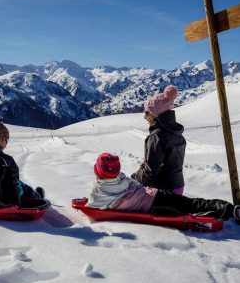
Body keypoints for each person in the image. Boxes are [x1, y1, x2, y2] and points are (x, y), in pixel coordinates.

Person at [87, 153, 240, 221]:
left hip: (152, 203)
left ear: (98, 172)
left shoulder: (98, 191)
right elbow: (135, 184)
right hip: (156, 194)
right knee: (191, 203)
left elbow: (92, 207)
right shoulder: (122, 179)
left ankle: (227, 210)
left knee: (189, 206)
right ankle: (225, 209)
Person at [131, 85, 185, 194]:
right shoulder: (177, 133)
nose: (145, 117)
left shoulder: (157, 136)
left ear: (155, 114)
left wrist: (133, 178)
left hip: (161, 190)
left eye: (147, 113)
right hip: (177, 187)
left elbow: (150, 172)